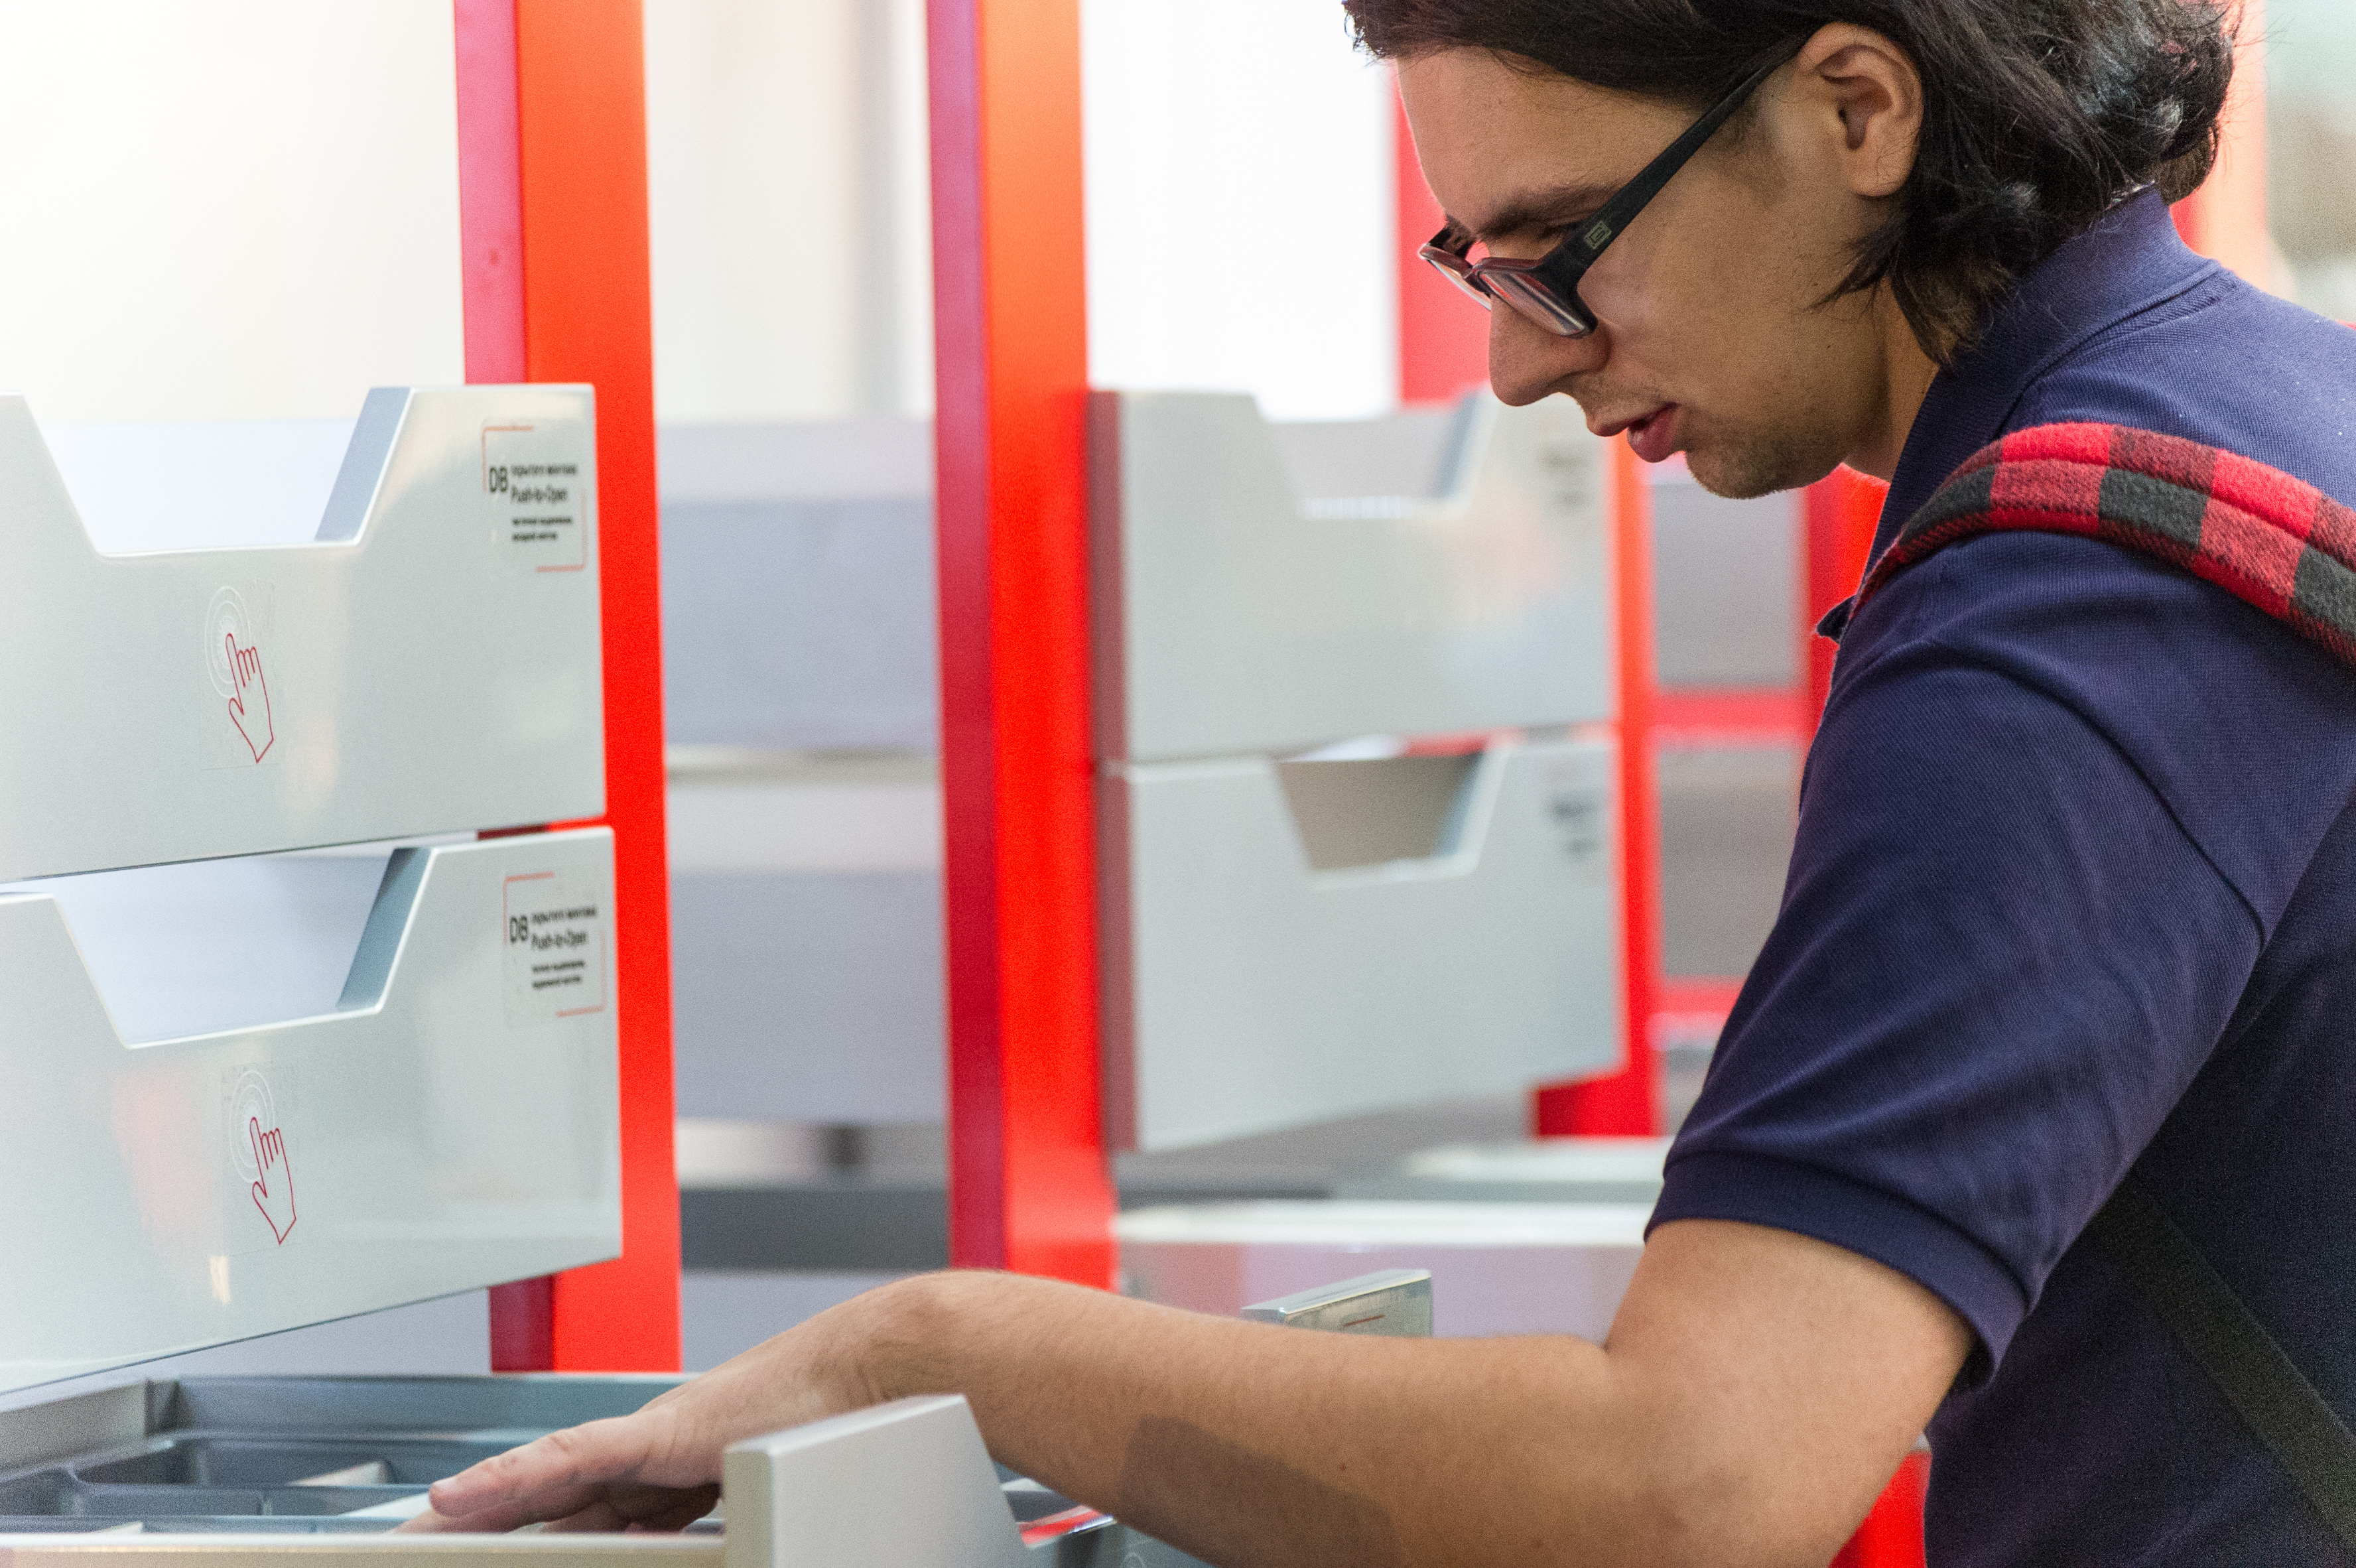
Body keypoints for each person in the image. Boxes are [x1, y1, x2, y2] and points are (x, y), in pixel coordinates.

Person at [407, 2, 2356, 1561]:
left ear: (1858, 110)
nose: (1519, 367)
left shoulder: (2063, 619)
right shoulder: (2278, 414)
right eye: (1476, 266)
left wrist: (937, 1347)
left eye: (1564, 251)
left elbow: (1686, 1485)